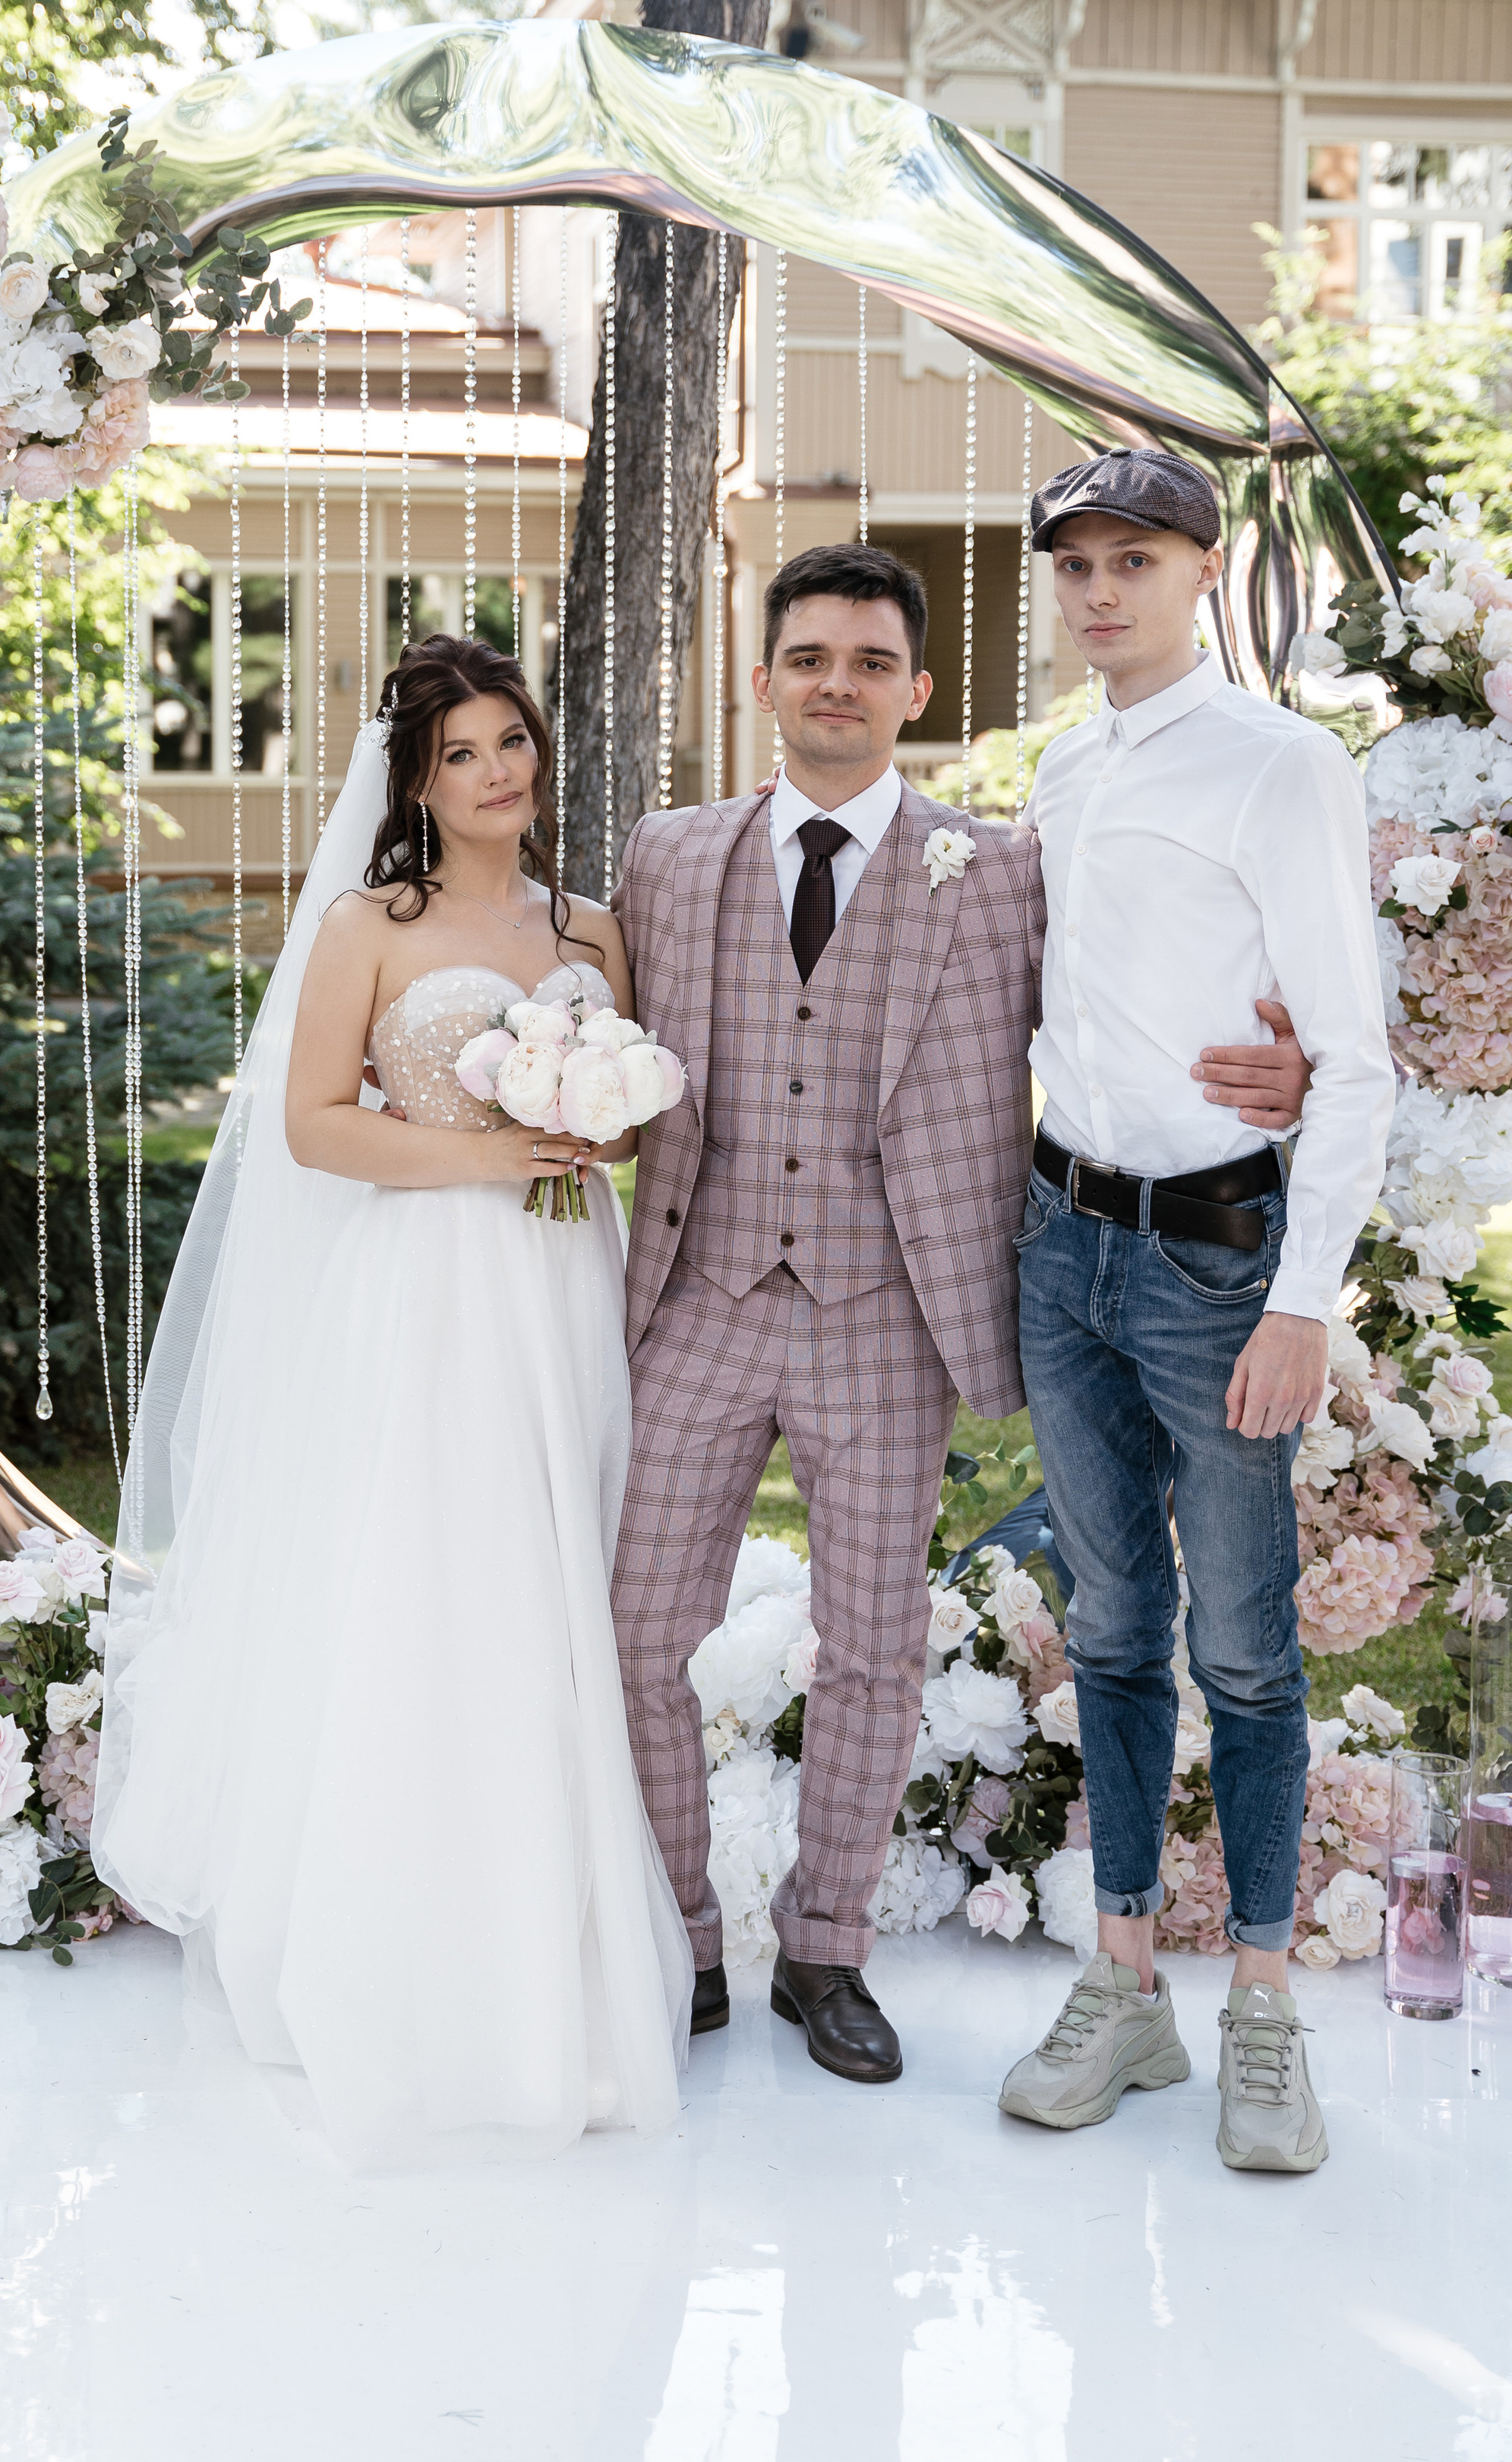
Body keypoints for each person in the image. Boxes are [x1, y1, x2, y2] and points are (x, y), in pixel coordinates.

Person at [610, 542, 1308, 2086]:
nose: (836, 685)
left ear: (913, 692)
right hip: (696, 1300)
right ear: (763, 678)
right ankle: (675, 1935)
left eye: (868, 662)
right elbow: (579, 1016)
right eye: (808, 658)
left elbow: (1147, 975)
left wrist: (1300, 1060)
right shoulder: (663, 855)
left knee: (869, 1649)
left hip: (887, 1313)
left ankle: (825, 1952)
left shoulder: (998, 870)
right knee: (636, 1630)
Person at [92, 633, 691, 2170]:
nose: (501, 774)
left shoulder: (590, 928)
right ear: (418, 783)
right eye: (465, 755)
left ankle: (547, 1957)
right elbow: (306, 1129)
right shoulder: (369, 925)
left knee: (549, 1591)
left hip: (558, 1290)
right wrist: (490, 1151)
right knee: (423, 1591)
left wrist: (588, 1119)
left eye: (513, 743)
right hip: (423, 1292)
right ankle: (392, 1955)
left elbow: (617, 1133)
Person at [997, 448, 1394, 2176]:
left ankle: (1257, 2008)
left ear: (1201, 571)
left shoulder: (1279, 765)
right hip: (1058, 1245)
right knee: (1104, 1627)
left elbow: (1355, 1055)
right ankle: (1123, 1982)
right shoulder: (1061, 775)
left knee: (1240, 1643)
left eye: (1133, 559)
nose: (1100, 590)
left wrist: (1300, 1301)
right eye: (1074, 561)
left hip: (1215, 1269)